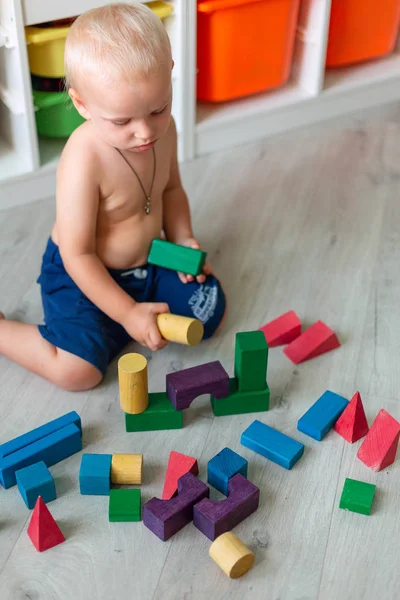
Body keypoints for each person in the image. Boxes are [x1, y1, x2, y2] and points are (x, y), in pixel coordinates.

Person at [0, 3, 226, 391]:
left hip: (150, 260)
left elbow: (171, 190)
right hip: (84, 271)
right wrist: (127, 312)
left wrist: (184, 240)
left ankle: (123, 322)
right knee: (78, 372)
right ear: (82, 104)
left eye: (157, 109)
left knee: (208, 309)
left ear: (170, 71)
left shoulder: (165, 130)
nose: (144, 132)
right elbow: (78, 254)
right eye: (122, 121)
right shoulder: (83, 159)